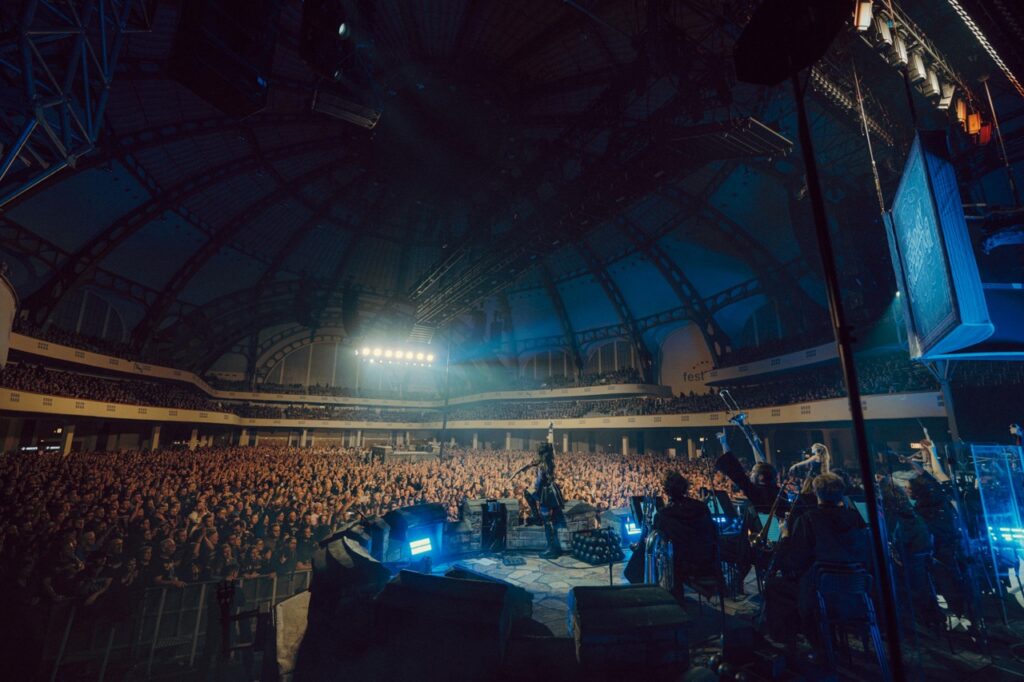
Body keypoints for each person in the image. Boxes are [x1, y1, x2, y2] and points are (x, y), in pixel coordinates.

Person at [762, 473, 869, 656]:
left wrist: (786, 536)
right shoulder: (856, 517)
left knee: (774, 587)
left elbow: (794, 562)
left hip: (820, 592)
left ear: (816, 493)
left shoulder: (809, 519)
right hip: (856, 591)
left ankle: (794, 641)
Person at [652, 471, 718, 604]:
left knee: (666, 557)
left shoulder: (663, 514)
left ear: (666, 491)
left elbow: (658, 541)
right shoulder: (702, 507)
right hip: (708, 562)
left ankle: (672, 603)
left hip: (684, 566)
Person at [521, 443, 564, 559]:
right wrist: (531, 465)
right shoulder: (550, 462)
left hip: (545, 493)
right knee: (552, 521)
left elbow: (539, 482)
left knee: (547, 521)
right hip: (552, 492)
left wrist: (537, 493)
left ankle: (551, 549)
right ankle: (556, 547)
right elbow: (539, 463)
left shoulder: (542, 466)